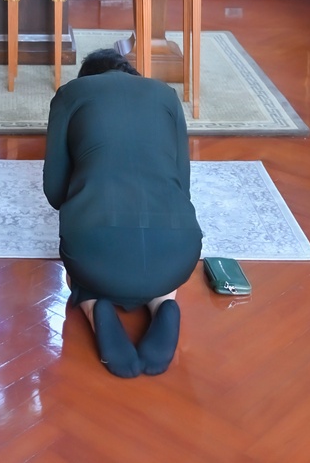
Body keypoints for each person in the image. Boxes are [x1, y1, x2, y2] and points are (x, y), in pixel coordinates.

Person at [43, 48, 202, 378]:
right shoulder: (167, 96)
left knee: (82, 254)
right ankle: (164, 302)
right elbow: (183, 187)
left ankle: (93, 306)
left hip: (95, 254)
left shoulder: (70, 94)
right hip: (179, 254)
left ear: (87, 77)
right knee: (160, 243)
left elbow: (55, 192)